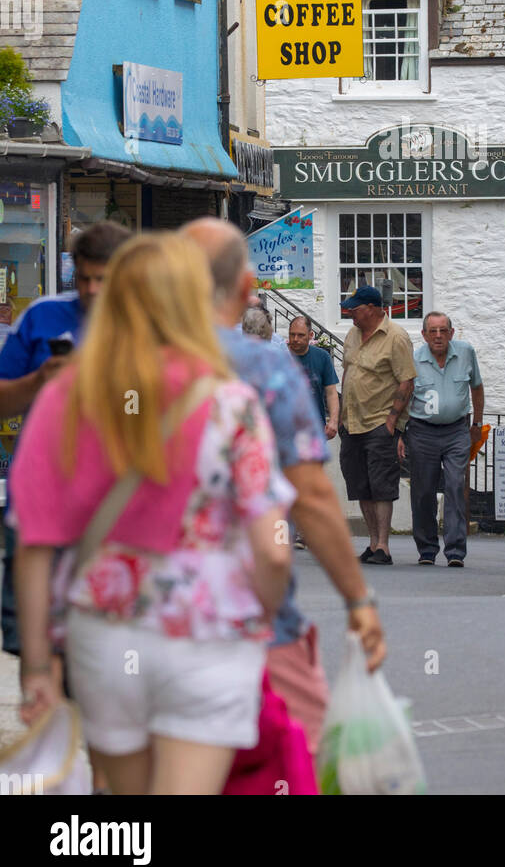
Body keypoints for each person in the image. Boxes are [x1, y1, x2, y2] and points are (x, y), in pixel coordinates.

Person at [11, 232, 293, 795]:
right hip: (210, 632)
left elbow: (35, 542)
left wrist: (38, 665)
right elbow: (272, 543)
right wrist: (262, 614)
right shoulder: (230, 404)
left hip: (107, 629)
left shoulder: (67, 396)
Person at [182, 220, 385, 753]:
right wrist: (357, 600)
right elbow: (312, 495)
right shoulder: (261, 364)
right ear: (247, 289)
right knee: (302, 753)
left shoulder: (114, 363)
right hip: (246, 619)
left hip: (134, 627)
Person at [0, 221, 131, 654]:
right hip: (38, 504)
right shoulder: (42, 317)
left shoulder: (144, 328)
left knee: (102, 652)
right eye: (85, 278)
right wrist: (39, 381)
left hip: (112, 511)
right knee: (35, 648)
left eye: (103, 279)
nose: (93, 290)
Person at [339, 286, 416, 567]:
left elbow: (407, 380)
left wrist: (393, 421)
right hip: (352, 422)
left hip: (379, 421)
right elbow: (348, 370)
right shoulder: (352, 334)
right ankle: (372, 543)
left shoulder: (396, 337)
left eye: (355, 309)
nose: (350, 314)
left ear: (371, 308)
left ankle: (383, 545)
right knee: (360, 485)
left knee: (381, 485)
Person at [401, 313, 484, 568]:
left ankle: (456, 549)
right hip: (422, 431)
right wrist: (401, 434)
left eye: (443, 330)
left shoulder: (466, 352)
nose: (438, 336)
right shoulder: (414, 359)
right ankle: (426, 548)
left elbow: (477, 387)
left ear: (451, 332)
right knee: (423, 490)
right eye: (433, 331)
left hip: (457, 430)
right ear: (424, 335)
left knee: (455, 485)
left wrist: (477, 424)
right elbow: (403, 395)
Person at [288, 314, 340, 439]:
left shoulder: (322, 357)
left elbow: (331, 392)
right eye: (292, 334)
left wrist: (333, 421)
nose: (295, 339)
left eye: (301, 335)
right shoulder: (278, 357)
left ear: (311, 335)